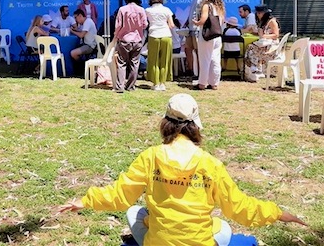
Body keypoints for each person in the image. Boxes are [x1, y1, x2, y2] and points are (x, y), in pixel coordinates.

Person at [58, 93, 307, 246]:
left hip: (159, 242)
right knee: (225, 228)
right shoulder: (210, 164)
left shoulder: (150, 157)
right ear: (195, 126)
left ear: (165, 123)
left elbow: (119, 195)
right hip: (199, 241)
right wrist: (276, 213)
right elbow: (239, 207)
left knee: (135, 211)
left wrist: (85, 201)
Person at [113, 0, 148, 93]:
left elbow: (118, 25)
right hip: (137, 39)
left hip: (124, 39)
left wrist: (116, 35)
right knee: (134, 63)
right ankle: (130, 86)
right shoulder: (141, 10)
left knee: (121, 63)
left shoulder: (122, 10)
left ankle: (120, 87)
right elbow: (145, 24)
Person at [192, 0, 225, 91]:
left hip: (206, 35)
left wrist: (196, 22)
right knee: (215, 59)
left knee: (204, 59)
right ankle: (214, 83)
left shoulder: (207, 5)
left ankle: (202, 83)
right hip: (217, 36)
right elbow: (222, 21)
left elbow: (203, 20)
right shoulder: (220, 7)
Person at [145, 0, 174, 91]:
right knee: (165, 60)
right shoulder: (167, 10)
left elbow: (145, 24)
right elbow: (171, 25)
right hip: (166, 35)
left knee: (153, 60)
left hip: (154, 35)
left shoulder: (147, 10)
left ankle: (155, 83)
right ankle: (163, 83)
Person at [244, 4, 280, 82]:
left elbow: (276, 35)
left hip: (272, 45)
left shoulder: (272, 21)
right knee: (250, 47)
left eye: (259, 13)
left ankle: (254, 68)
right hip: (265, 43)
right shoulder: (263, 22)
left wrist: (264, 36)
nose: (258, 15)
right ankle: (254, 68)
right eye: (257, 13)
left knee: (251, 48)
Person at [184, 0, 207, 78]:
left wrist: (200, 22)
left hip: (199, 27)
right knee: (188, 49)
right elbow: (193, 10)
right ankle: (192, 70)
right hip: (191, 26)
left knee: (199, 51)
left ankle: (201, 74)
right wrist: (187, 21)